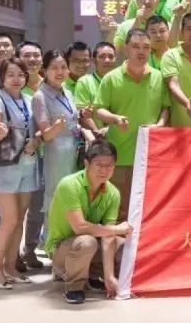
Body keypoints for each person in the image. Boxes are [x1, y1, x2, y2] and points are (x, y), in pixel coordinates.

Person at [94, 29, 170, 220]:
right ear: (126, 48)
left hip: (151, 154)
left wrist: (160, 124)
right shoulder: (111, 78)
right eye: (136, 46)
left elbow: (166, 107)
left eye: (146, 47)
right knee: (120, 207)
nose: (141, 51)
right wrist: (115, 119)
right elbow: (99, 109)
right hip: (120, 154)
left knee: (149, 207)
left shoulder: (158, 76)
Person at [0, 58, 41, 289]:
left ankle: (11, 266)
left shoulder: (29, 100)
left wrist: (36, 141)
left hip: (28, 163)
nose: (16, 79)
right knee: (9, 219)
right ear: (2, 78)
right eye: (11, 74)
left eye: (21, 74)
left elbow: (37, 131)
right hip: (4, 166)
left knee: (19, 220)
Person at [46, 141, 129, 304]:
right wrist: (118, 229)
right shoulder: (69, 184)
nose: (104, 170)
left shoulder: (113, 193)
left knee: (124, 244)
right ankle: (73, 286)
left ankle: (94, 275)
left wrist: (109, 276)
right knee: (87, 242)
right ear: (86, 163)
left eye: (109, 166)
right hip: (62, 248)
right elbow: (80, 227)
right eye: (99, 165)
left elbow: (108, 237)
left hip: (91, 243)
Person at [34, 50, 94, 258]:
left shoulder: (67, 92)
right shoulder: (40, 96)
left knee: (70, 197)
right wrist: (56, 128)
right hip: (55, 153)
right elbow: (46, 134)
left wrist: (82, 117)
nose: (60, 72)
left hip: (73, 150)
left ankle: (63, 244)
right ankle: (49, 245)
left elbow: (73, 121)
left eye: (63, 67)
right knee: (55, 197)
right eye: (54, 68)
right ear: (45, 71)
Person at [16, 41, 46, 270]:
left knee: (38, 206)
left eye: (36, 55)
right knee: (16, 208)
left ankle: (30, 249)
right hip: (20, 156)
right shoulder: (15, 87)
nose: (32, 60)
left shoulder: (50, 85)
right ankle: (11, 252)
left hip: (47, 154)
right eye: (27, 55)